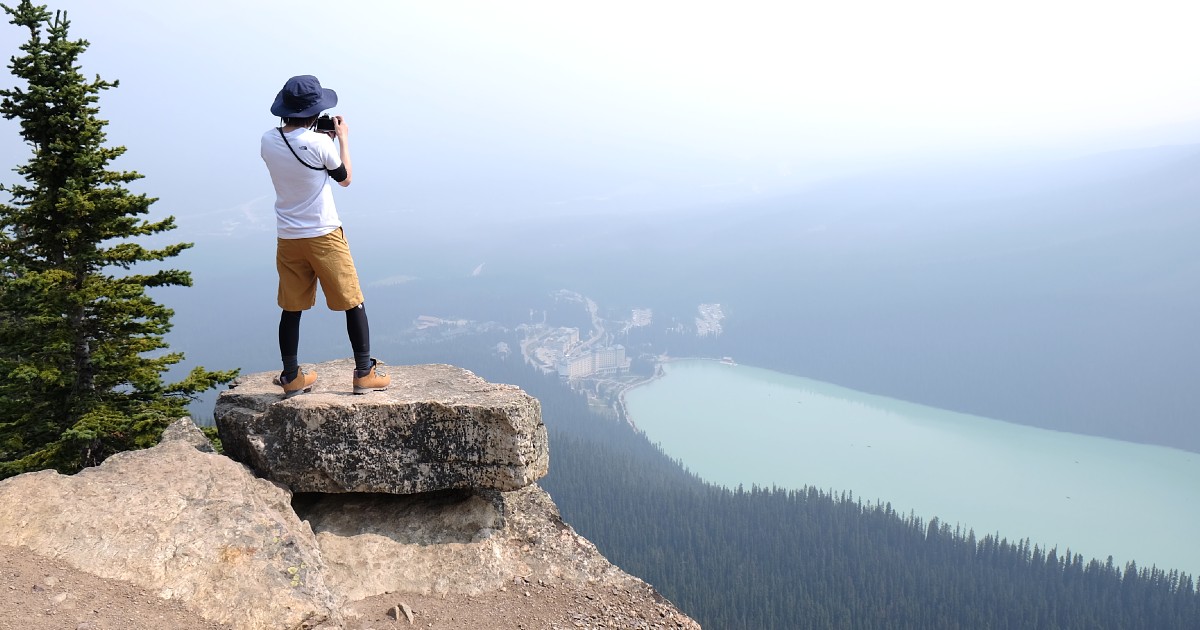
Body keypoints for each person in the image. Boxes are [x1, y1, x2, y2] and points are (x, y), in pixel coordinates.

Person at [260, 75, 390, 397]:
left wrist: (315, 135)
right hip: (324, 235)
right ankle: (364, 373)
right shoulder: (321, 145)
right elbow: (344, 178)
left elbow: (296, 149)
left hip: (288, 237)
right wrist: (341, 139)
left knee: (291, 307)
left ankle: (291, 377)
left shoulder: (268, 140)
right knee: (352, 300)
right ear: (315, 111)